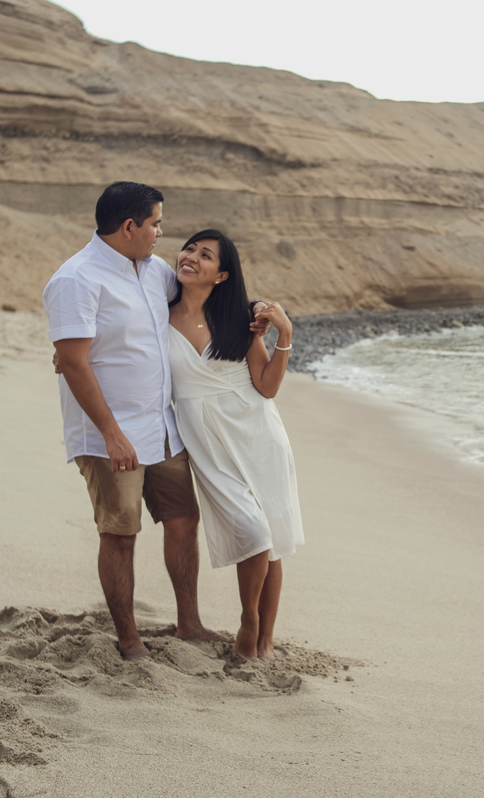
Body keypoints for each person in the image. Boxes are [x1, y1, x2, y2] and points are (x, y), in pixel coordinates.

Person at [42, 182, 228, 660]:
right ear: (130, 227)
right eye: (156, 224)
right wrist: (111, 434)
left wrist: (259, 321)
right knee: (121, 535)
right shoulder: (76, 279)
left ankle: (189, 624)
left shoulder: (155, 272)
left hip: (162, 426)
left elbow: (194, 305)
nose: (161, 233)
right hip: (110, 434)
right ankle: (128, 640)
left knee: (183, 520)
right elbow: (76, 362)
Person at [166, 229, 304, 658]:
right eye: (189, 248)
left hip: (258, 434)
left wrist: (284, 335)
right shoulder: (158, 312)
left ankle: (263, 640)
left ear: (222, 275)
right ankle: (249, 620)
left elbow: (266, 387)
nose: (190, 257)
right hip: (207, 440)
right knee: (254, 530)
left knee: (273, 539)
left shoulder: (241, 318)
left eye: (204, 255)